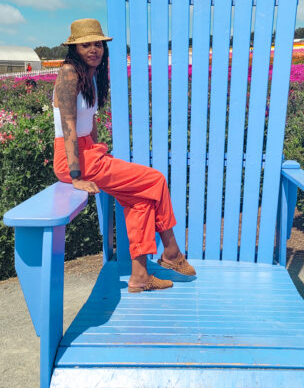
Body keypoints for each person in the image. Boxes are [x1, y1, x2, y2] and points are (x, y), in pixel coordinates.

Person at [53, 18, 196, 292]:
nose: (94, 49)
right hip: (74, 159)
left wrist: (96, 148)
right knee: (155, 180)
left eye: (98, 44)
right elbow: (69, 127)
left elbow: (88, 124)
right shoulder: (68, 73)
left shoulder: (88, 76)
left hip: (88, 154)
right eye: (86, 45)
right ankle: (172, 253)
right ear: (74, 49)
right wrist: (76, 176)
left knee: (142, 201)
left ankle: (140, 277)